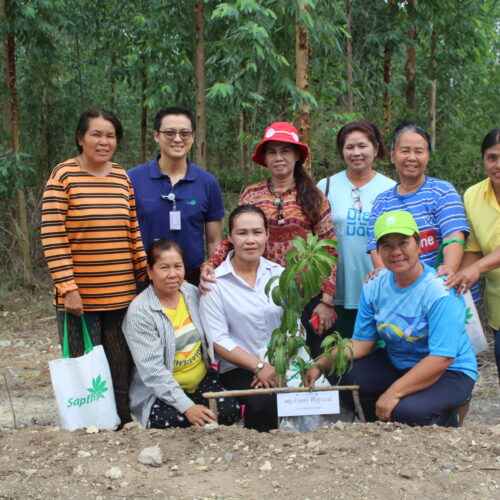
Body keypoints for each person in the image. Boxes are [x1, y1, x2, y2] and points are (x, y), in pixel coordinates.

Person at [307, 210, 477, 427]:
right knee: (342, 375)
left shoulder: (440, 290)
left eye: (403, 243)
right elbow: (361, 343)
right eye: (386, 245)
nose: (396, 252)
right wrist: (320, 364)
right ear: (378, 250)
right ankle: (379, 423)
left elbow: (441, 358)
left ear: (418, 244)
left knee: (407, 412)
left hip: (449, 371)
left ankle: (450, 413)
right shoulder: (375, 285)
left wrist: (393, 393)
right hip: (399, 363)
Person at [41, 109, 147, 425]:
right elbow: (52, 234)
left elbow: (133, 231)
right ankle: (89, 423)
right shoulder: (63, 176)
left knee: (119, 363)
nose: (104, 141)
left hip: (121, 295)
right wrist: (67, 287)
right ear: (80, 138)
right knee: (84, 363)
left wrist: (145, 273)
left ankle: (122, 421)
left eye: (110, 135)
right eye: (96, 134)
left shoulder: (120, 177)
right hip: (79, 300)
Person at [201, 121, 337, 356]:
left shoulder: (314, 196)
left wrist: (326, 301)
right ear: (265, 158)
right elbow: (233, 237)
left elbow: (329, 250)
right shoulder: (252, 194)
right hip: (265, 293)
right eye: (272, 151)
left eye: (285, 150)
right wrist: (211, 264)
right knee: (269, 355)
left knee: (306, 360)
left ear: (296, 155)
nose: (278, 157)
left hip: (306, 294)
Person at [122, 239, 240, 429]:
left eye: (178, 266)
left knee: (229, 410)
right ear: (150, 272)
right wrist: (187, 408)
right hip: (160, 392)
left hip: (200, 381)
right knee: (175, 422)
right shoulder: (140, 312)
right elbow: (153, 373)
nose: (172, 274)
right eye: (164, 268)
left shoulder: (191, 293)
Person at [200, 205, 284, 432]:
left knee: (311, 395)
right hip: (239, 367)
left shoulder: (279, 275)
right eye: (242, 233)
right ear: (230, 237)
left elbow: (292, 327)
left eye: (257, 232)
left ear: (267, 235)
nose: (250, 240)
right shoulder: (215, 282)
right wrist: (258, 366)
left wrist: (275, 365)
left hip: (282, 362)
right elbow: (218, 339)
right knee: (264, 403)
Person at [128, 106, 224, 286]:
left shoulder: (207, 182)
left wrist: (213, 272)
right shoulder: (132, 179)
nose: (178, 139)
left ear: (193, 136)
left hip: (192, 278)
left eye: (185, 133)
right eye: (170, 133)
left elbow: (213, 240)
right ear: (156, 135)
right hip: (144, 278)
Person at [317, 121, 395, 338]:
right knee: (337, 356)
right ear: (342, 151)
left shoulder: (390, 189)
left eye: (363, 146)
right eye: (349, 147)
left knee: (375, 357)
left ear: (376, 149)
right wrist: (325, 297)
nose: (356, 152)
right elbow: (316, 241)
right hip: (335, 293)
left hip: (378, 290)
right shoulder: (326, 186)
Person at [366, 121, 468, 278]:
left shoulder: (442, 191)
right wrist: (386, 279)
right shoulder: (382, 202)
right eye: (405, 151)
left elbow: (453, 236)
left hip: (444, 285)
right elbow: (376, 247)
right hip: (404, 290)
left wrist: (448, 269)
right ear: (393, 156)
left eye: (419, 151)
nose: (412, 158)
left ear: (427, 156)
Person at [447, 128, 500, 384]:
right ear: (483, 159)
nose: (498, 165)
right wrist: (455, 278)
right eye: (492, 157)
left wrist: (475, 269)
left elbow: (478, 263)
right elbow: (475, 247)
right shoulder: (473, 195)